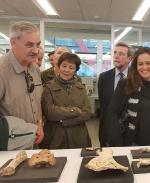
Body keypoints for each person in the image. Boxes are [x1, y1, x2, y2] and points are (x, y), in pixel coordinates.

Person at [102, 47, 150, 146]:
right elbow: (111, 113)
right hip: (131, 144)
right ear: (135, 66)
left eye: (148, 63)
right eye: (140, 64)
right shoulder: (125, 84)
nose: (144, 67)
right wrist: (117, 144)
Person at [0, 21, 44, 150]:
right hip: (10, 145)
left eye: (38, 44)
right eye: (29, 45)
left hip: (33, 139)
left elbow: (37, 101)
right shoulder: (2, 71)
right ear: (13, 43)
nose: (36, 51)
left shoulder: (35, 68)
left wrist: (39, 124)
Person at [41, 52, 91, 149]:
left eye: (71, 67)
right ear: (58, 67)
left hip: (78, 136)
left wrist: (62, 120)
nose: (67, 70)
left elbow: (87, 113)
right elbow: (50, 112)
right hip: (56, 136)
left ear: (76, 70)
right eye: (64, 66)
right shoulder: (48, 87)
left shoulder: (81, 88)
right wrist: (75, 111)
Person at [98, 42, 133, 147]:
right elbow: (104, 105)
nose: (116, 56)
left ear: (129, 58)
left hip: (130, 129)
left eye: (121, 54)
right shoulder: (104, 77)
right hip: (108, 128)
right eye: (115, 53)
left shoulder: (136, 77)